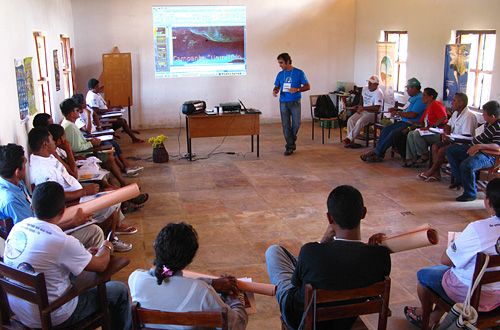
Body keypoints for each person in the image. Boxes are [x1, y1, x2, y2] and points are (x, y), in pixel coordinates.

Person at [3, 181, 132, 329]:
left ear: (32, 207)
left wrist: (84, 256)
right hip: (53, 315)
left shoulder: (17, 227)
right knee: (119, 290)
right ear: (63, 210)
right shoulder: (62, 242)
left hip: (21, 311)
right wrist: (107, 246)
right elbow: (101, 265)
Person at [265, 185, 391, 329]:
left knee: (273, 252)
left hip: (299, 319)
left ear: (329, 218)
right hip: (345, 320)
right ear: (363, 213)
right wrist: (372, 249)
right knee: (307, 267)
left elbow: (296, 284)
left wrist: (322, 242)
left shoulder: (310, 251)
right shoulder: (381, 256)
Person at [404, 178, 500, 328]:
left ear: (487, 201)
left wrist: (456, 248)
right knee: (455, 270)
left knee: (424, 276)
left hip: (476, 296)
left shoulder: (478, 229)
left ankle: (426, 316)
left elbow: (446, 260)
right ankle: (435, 316)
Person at [27, 127, 133, 251]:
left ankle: (111, 235)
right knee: (113, 200)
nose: (55, 142)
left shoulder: (48, 156)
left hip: (79, 193)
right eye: (52, 140)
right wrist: (84, 192)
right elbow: (53, 198)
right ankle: (110, 239)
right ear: (45, 144)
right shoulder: (41, 169)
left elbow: (71, 174)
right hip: (72, 203)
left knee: (113, 194)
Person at [129, 222, 248, 330]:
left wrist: (211, 283)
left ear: (155, 246)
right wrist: (234, 299)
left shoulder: (135, 279)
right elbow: (236, 325)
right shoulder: (202, 292)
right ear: (189, 261)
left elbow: (175, 284)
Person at [0, 143, 104, 249]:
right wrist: (72, 223)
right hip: (38, 242)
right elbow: (34, 232)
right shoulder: (11, 200)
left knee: (86, 218)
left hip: (44, 224)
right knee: (94, 232)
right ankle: (87, 261)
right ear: (17, 172)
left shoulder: (14, 182)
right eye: (24, 165)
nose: (26, 167)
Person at [59, 98, 143, 185]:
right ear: (71, 113)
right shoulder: (69, 127)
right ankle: (121, 182)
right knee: (109, 157)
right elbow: (77, 148)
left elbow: (78, 142)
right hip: (82, 155)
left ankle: (119, 180)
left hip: (85, 150)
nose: (79, 113)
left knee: (110, 149)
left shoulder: (70, 124)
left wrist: (89, 140)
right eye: (76, 111)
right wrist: (91, 143)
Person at [361, 78, 427, 162]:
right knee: (385, 130)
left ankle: (377, 153)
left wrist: (398, 113)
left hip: (411, 124)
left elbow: (412, 114)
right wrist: (396, 110)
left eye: (408, 88)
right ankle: (378, 152)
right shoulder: (413, 97)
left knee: (393, 133)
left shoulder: (420, 99)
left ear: (414, 88)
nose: (407, 90)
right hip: (403, 121)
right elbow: (406, 110)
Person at [446, 100, 500, 201]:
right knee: (451, 150)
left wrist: (479, 146)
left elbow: (497, 146)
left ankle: (470, 193)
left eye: (484, 114)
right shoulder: (489, 124)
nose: (483, 116)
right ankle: (461, 179)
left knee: (467, 165)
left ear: (493, 116)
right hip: (476, 148)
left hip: (489, 156)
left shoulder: (498, 126)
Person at [419, 93, 477, 182]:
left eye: (454, 101)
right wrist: (446, 133)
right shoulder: (456, 113)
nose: (452, 103)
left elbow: (467, 136)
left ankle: (431, 171)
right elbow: (448, 124)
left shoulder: (469, 116)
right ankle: (436, 174)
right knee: (434, 146)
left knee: (442, 150)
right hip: (452, 140)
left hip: (463, 144)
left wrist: (450, 137)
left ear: (461, 103)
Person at [273, 53, 310, 156]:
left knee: (296, 123)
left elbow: (307, 86)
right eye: (279, 63)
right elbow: (277, 86)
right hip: (283, 102)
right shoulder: (280, 74)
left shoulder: (299, 73)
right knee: (285, 125)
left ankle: (291, 139)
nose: (280, 65)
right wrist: (275, 91)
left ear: (288, 61)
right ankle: (289, 146)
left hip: (295, 102)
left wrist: (297, 89)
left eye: (281, 63)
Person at [86, 78, 144, 143]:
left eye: (98, 86)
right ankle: (133, 138)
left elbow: (105, 105)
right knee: (122, 121)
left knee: (122, 120)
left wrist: (116, 107)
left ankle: (113, 134)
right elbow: (96, 110)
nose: (99, 87)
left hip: (106, 115)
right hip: (101, 118)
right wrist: (112, 110)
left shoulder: (96, 94)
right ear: (92, 88)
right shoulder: (92, 96)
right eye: (97, 86)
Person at [403, 88, 448, 167]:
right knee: (410, 133)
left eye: (424, 95)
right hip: (429, 131)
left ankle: (424, 155)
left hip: (437, 132)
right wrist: (414, 123)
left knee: (417, 134)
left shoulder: (436, 104)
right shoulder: (428, 107)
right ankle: (411, 159)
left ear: (431, 97)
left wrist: (431, 126)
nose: (422, 97)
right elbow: (422, 122)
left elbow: (444, 117)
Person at [343, 75, 384, 148]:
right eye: (369, 82)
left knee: (360, 121)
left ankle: (349, 139)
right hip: (364, 111)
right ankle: (351, 141)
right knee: (350, 120)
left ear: (376, 85)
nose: (369, 85)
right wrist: (359, 106)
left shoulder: (379, 93)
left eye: (371, 83)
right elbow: (362, 99)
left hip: (374, 114)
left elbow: (376, 108)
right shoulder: (365, 88)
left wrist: (363, 108)